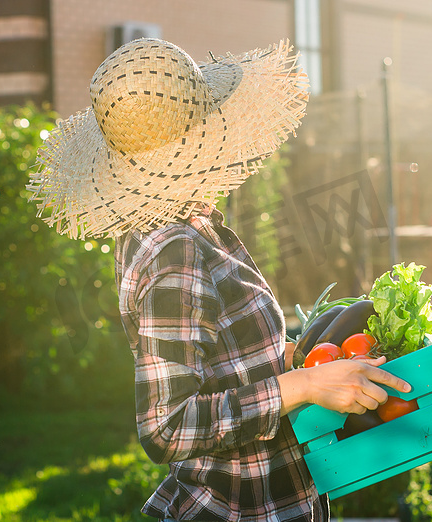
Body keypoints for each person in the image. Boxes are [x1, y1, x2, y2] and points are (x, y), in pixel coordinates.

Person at [28, 37, 410, 522]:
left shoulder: (188, 225)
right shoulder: (174, 252)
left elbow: (221, 358)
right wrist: (305, 384)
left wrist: (309, 361)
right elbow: (166, 426)